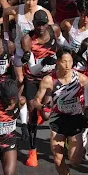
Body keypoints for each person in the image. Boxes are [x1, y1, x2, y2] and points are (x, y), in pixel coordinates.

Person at [32, 48, 88, 175]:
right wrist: (43, 107)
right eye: (64, 61)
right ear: (57, 61)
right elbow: (34, 101)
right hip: (57, 120)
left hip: (75, 120)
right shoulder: (48, 80)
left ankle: (79, 144)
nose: (67, 65)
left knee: (75, 161)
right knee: (58, 159)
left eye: (70, 61)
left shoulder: (80, 78)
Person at [21, 9, 62, 166]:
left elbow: (63, 44)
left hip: (49, 79)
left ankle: (65, 138)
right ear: (33, 24)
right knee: (32, 109)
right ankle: (33, 151)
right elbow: (32, 69)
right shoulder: (27, 39)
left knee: (46, 115)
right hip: (32, 78)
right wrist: (44, 62)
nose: (40, 28)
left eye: (43, 24)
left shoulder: (55, 30)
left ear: (47, 24)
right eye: (37, 24)